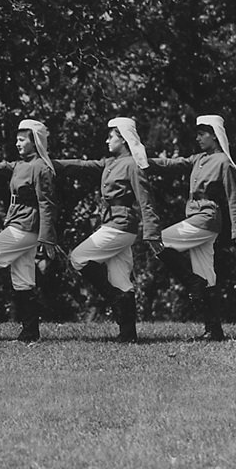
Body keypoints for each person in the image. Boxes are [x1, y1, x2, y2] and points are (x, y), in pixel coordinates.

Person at [52, 118, 161, 343]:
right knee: (121, 279)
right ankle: (128, 334)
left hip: (120, 225)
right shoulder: (109, 163)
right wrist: (51, 162)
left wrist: (152, 231)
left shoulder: (132, 164)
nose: (106, 140)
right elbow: (81, 166)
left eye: (111, 136)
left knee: (78, 257)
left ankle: (113, 299)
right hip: (114, 224)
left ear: (122, 139)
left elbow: (145, 200)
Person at [147, 114, 236, 341]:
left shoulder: (224, 163)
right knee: (207, 275)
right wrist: (143, 162)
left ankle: (193, 283)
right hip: (199, 221)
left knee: (158, 239)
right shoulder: (198, 159)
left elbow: (235, 199)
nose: (198, 138)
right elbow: (171, 164)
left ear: (214, 135)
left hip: (206, 219)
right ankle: (214, 331)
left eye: (202, 134)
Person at [0, 119, 59, 342]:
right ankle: (30, 333)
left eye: (21, 139)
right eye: (16, 139)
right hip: (20, 224)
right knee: (23, 278)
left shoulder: (40, 167)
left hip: (28, 226)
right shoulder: (20, 165)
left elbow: (47, 203)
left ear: (34, 141)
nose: (16, 143)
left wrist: (46, 238)